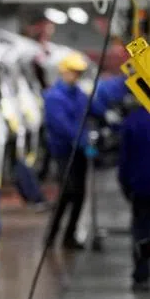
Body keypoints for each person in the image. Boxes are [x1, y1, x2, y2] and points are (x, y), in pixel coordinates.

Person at [43, 52, 95, 250]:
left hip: (80, 150)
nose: (76, 76)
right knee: (68, 191)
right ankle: (52, 236)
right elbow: (62, 126)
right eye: (74, 72)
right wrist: (82, 140)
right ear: (64, 72)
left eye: (79, 72)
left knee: (79, 193)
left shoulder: (80, 94)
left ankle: (68, 236)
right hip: (63, 151)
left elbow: (88, 115)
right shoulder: (54, 97)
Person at [118, 100, 150, 291]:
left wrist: (125, 185)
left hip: (141, 187)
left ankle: (141, 274)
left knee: (141, 231)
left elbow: (124, 160)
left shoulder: (132, 121)